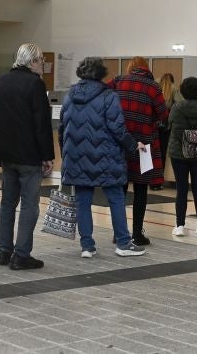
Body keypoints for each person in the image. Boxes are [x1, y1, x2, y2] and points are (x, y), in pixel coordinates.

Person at [59, 57, 146, 258]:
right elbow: (118, 129)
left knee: (82, 200)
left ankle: (87, 246)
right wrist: (133, 145)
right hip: (106, 157)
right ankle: (123, 243)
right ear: (101, 74)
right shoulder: (109, 96)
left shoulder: (69, 96)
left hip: (77, 157)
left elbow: (63, 129)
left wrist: (67, 153)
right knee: (116, 197)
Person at [0, 43, 54, 270]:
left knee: (7, 203)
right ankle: (21, 255)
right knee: (29, 205)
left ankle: (3, 251)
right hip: (28, 155)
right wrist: (47, 156)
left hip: (7, 154)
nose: (42, 65)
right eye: (41, 60)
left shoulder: (1, 81)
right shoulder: (35, 84)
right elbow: (41, 124)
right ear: (33, 61)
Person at [107, 57, 168, 245]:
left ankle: (119, 233)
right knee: (141, 190)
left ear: (130, 68)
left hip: (120, 143)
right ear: (146, 68)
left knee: (120, 189)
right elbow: (164, 114)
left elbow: (103, 100)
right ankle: (137, 234)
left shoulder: (117, 82)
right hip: (144, 146)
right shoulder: (153, 87)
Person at [168, 77, 197, 237]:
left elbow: (174, 129)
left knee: (181, 189)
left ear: (182, 91)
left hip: (179, 153)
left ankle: (180, 225)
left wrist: (185, 139)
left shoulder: (176, 108)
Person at [155, 73, 183, 191]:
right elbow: (180, 104)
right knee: (162, 153)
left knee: (152, 153)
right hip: (165, 126)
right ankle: (158, 182)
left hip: (152, 125)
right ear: (172, 81)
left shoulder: (155, 87)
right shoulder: (173, 89)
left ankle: (149, 180)